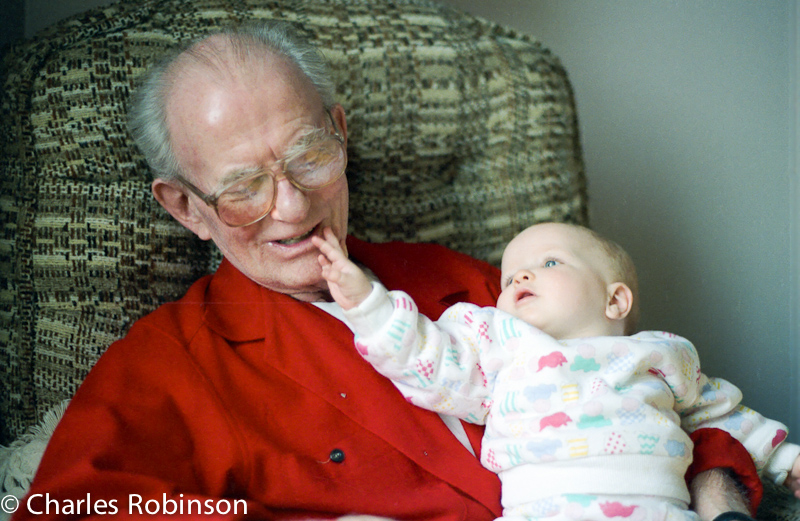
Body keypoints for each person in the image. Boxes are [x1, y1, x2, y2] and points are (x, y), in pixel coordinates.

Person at [12, 21, 765, 521]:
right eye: (242, 186)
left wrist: (721, 506)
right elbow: (71, 508)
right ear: (186, 206)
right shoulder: (170, 362)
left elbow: (664, 401)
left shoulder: (484, 286)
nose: (291, 206)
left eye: (309, 155)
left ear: (340, 133)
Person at [313, 222, 800, 521]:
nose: (521, 276)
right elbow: (428, 360)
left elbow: (720, 413)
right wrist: (370, 307)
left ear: (615, 300)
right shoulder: (499, 344)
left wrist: (785, 461)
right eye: (510, 276)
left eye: (548, 263)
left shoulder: (659, 354)